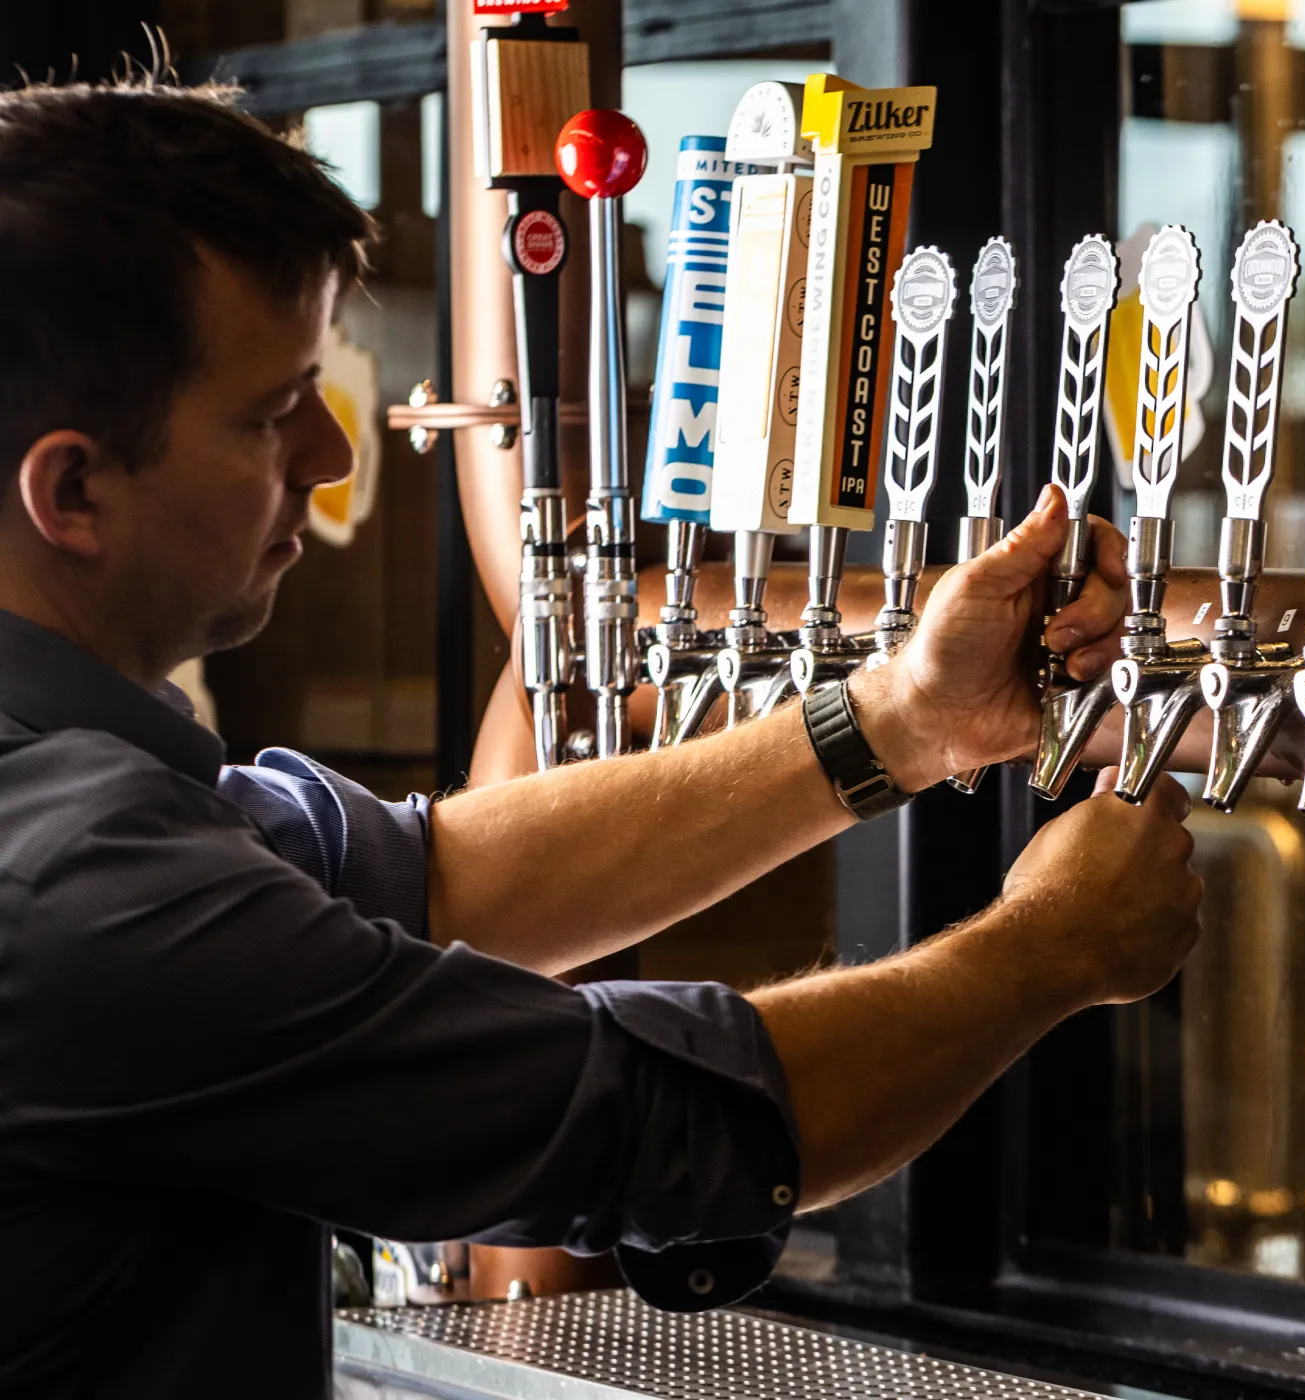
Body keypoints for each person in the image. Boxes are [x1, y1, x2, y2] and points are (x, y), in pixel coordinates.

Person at [0, 79, 1201, 1398]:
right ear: (72, 488)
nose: (333, 453)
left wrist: (902, 720)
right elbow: (664, 1130)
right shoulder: (73, 888)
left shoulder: (73, 793)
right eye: (268, 411)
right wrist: (1047, 949)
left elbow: (431, 877)